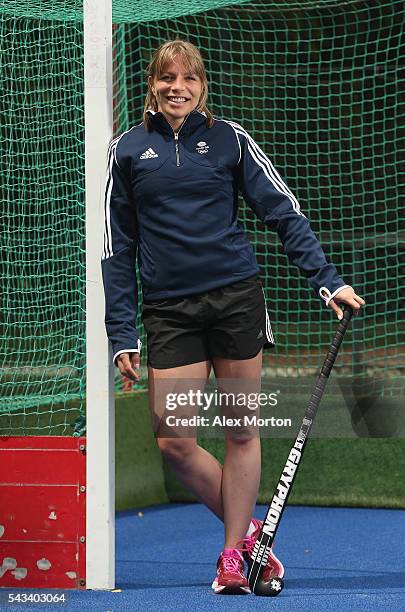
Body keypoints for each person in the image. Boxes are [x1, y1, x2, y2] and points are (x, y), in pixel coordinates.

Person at [101, 39, 365, 594]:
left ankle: (230, 557)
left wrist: (328, 280)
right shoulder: (126, 150)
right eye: (168, 78)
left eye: (189, 79)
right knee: (174, 440)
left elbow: (283, 212)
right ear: (152, 83)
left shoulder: (229, 139)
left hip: (235, 299)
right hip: (169, 311)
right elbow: (115, 248)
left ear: (202, 85)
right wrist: (121, 331)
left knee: (241, 430)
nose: (178, 87)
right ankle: (253, 542)